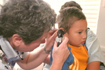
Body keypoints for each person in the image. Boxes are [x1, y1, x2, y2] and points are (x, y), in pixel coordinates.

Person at [0, 0, 70, 70]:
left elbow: (26, 62)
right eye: (41, 40)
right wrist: (58, 62)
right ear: (18, 40)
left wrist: (48, 46)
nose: (43, 42)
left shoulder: (11, 37)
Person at [43, 1, 105, 70]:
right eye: (79, 32)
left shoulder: (83, 47)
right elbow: (43, 57)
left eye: (85, 31)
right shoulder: (64, 52)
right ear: (64, 32)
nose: (85, 36)